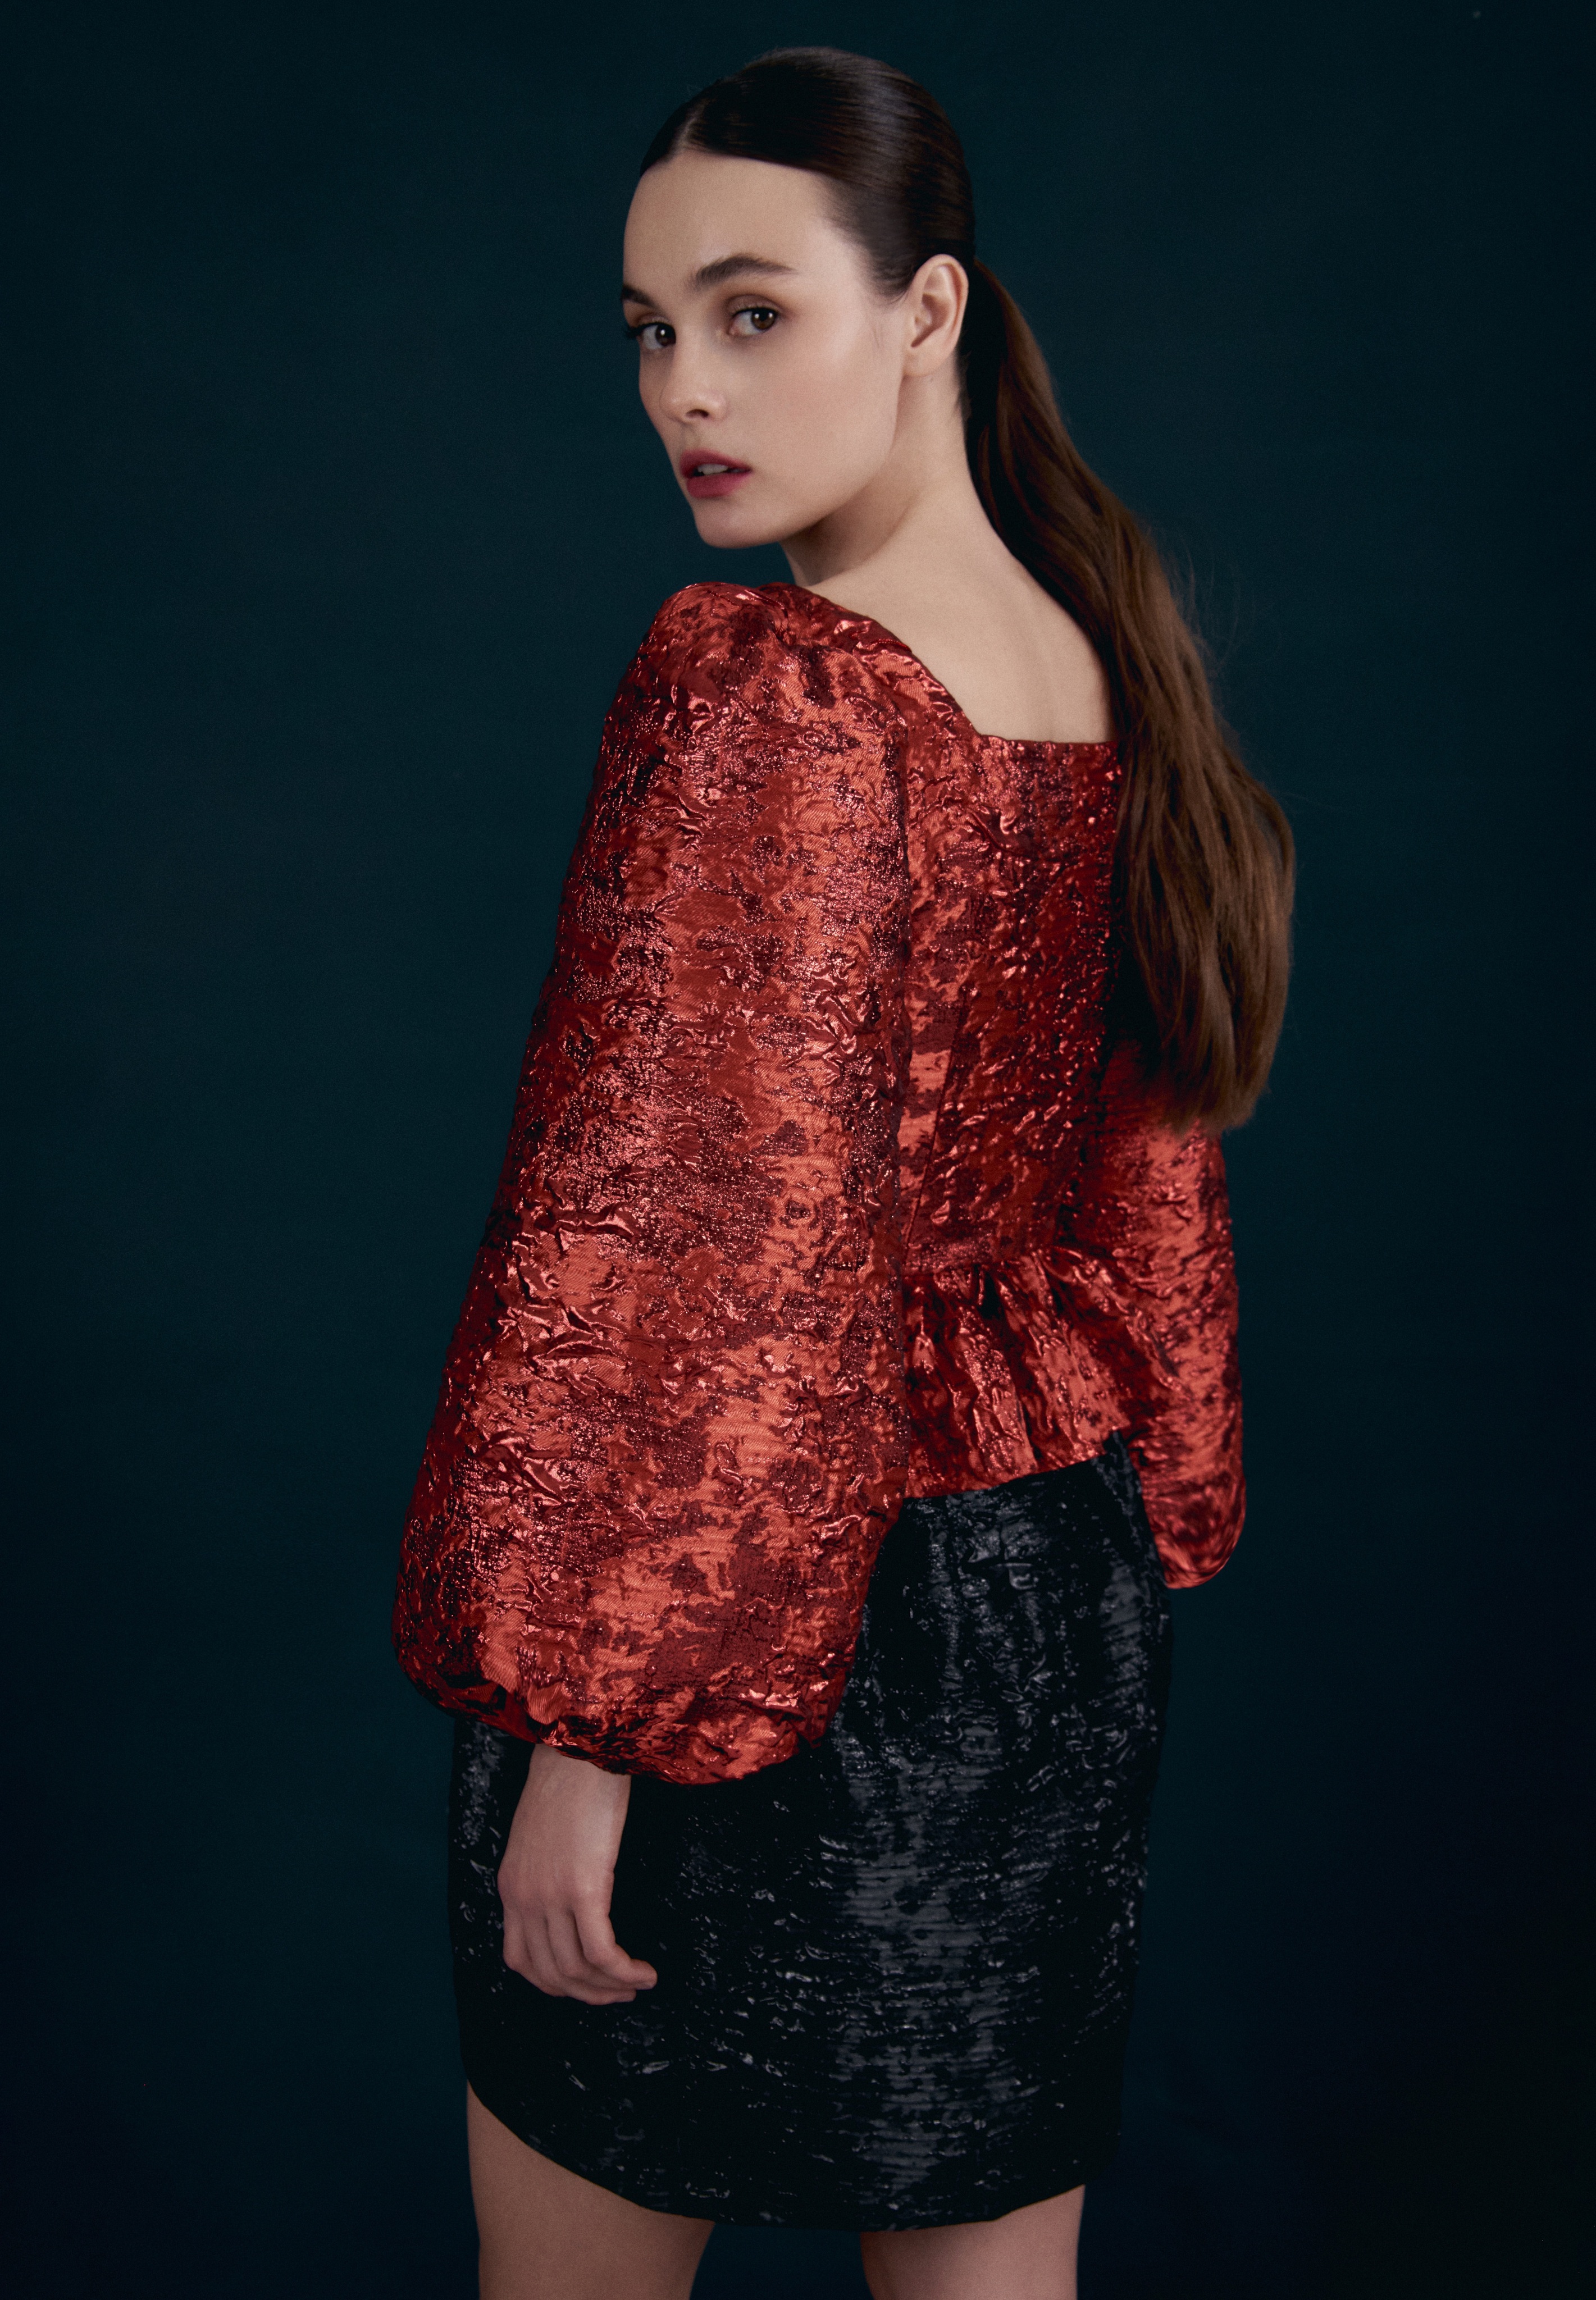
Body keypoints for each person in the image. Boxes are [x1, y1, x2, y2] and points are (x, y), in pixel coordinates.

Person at [394, 46, 1292, 2300]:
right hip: (1043, 1594)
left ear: (929, 310)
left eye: (750, 311)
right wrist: (1164, 1488)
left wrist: (590, 1735)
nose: (682, 390)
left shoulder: (775, 684)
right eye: (647, 329)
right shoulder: (1092, 663)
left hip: (738, 1638)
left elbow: (693, 1228)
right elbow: (1148, 1164)